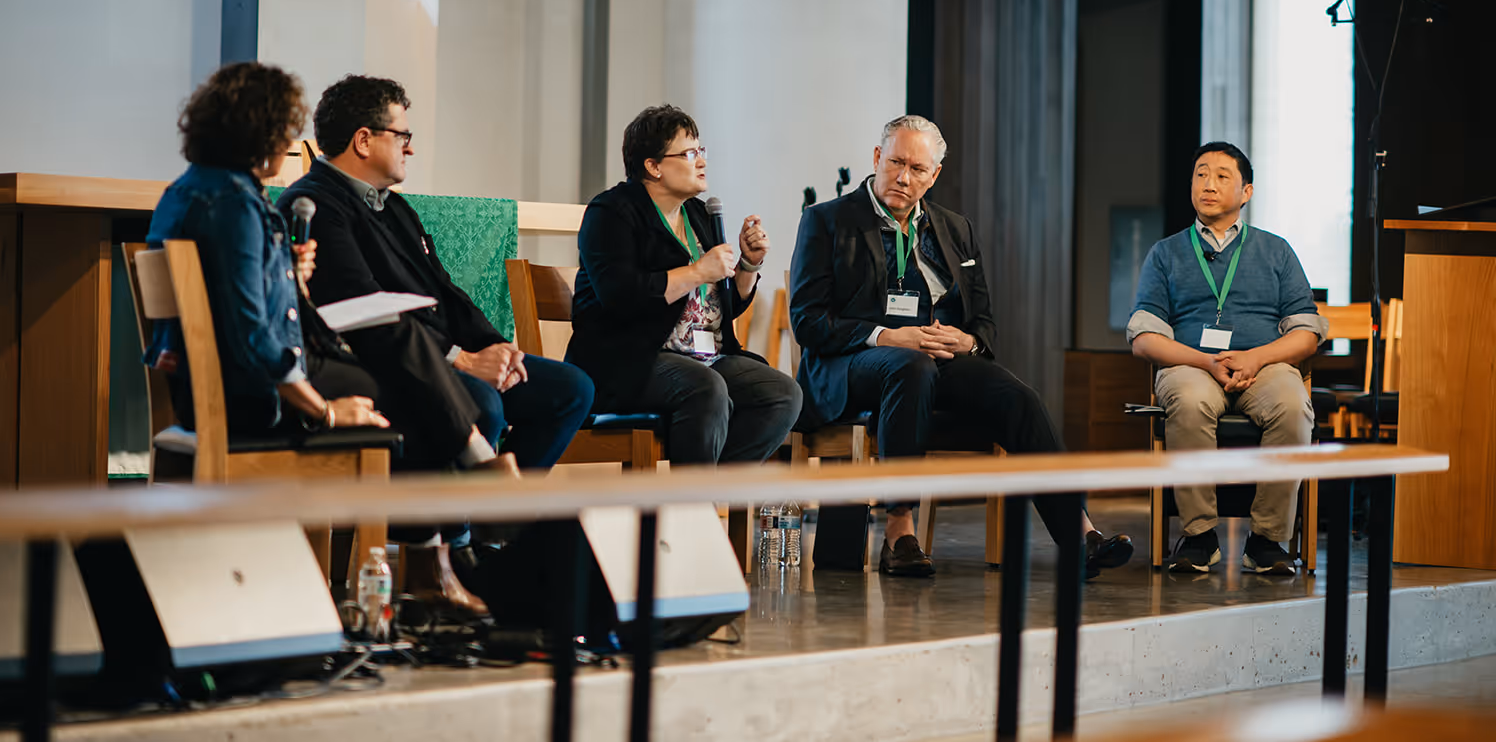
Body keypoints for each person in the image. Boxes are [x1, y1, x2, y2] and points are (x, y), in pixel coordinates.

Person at [790, 115, 1132, 578]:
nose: (904, 177)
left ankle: (1079, 534)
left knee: (1018, 398)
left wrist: (967, 340)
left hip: (935, 360)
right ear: (876, 158)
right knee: (909, 368)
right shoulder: (827, 221)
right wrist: (888, 336)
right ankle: (899, 531)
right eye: (895, 163)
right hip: (851, 365)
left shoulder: (953, 229)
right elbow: (808, 321)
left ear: (935, 175)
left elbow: (983, 321)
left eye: (917, 169)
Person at [145, 62, 507, 474]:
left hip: (212, 384)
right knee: (420, 394)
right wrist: (325, 412)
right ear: (257, 130)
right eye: (285, 128)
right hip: (251, 394)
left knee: (411, 354)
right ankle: (449, 516)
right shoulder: (234, 205)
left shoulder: (188, 190)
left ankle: (463, 494)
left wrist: (282, 268)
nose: (289, 144)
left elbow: (228, 290)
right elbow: (253, 334)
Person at [276, 75, 593, 475]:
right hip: (382, 363)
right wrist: (458, 359)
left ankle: (497, 524)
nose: (411, 147)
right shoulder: (314, 205)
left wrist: (497, 348)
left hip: (434, 352)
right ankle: (454, 527)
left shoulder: (395, 207)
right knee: (482, 403)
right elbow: (364, 314)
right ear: (363, 141)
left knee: (570, 390)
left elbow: (445, 291)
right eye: (401, 135)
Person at [1128, 142, 1326, 576]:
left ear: (1246, 192)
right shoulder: (1166, 253)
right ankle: (1199, 536)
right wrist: (1205, 362)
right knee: (1188, 399)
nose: (1208, 185)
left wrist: (1256, 359)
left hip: (1265, 366)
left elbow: (1307, 332)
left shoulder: (1277, 251)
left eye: (1221, 176)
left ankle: (1269, 538)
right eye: (1200, 174)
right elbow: (1143, 337)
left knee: (1294, 406)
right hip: (1192, 366)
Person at [566, 105, 802, 464]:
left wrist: (749, 265)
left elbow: (721, 307)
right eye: (690, 153)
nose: (702, 161)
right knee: (706, 388)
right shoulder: (611, 213)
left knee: (782, 393)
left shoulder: (696, 213)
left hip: (706, 355)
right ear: (653, 166)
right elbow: (619, 295)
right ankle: (693, 504)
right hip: (630, 359)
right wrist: (696, 272)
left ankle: (701, 495)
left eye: (701, 151)